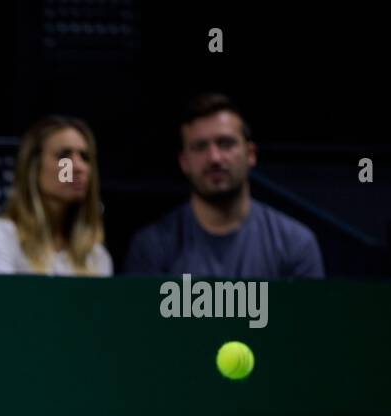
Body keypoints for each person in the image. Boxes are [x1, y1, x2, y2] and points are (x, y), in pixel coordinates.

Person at [123, 93, 324, 278]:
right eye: (200, 147)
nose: (214, 158)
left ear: (250, 154)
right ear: (184, 162)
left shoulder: (295, 244)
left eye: (226, 143)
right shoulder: (151, 247)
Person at [0, 115, 112, 276]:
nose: (78, 167)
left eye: (85, 157)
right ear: (33, 167)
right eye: (64, 155)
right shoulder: (0, 237)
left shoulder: (96, 256)